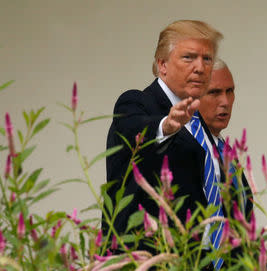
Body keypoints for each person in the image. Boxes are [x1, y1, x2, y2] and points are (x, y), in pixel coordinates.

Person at [104, 20, 224, 263]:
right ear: (162, 65)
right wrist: (166, 126)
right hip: (146, 259)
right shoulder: (136, 103)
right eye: (189, 57)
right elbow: (135, 128)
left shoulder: (205, 128)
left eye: (207, 59)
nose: (200, 67)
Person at [198, 59, 253, 218]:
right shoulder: (186, 148)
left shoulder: (225, 150)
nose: (226, 101)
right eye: (214, 92)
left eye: (230, 91)